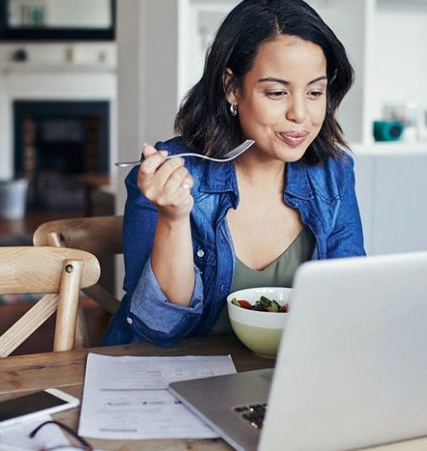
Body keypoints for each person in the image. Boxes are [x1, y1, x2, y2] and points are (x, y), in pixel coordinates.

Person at [103, 0, 365, 346]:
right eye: (277, 92)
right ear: (232, 88)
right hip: (169, 377)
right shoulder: (170, 174)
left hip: (279, 377)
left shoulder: (333, 172)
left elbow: (349, 299)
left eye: (315, 92)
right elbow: (159, 327)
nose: (301, 113)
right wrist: (174, 218)